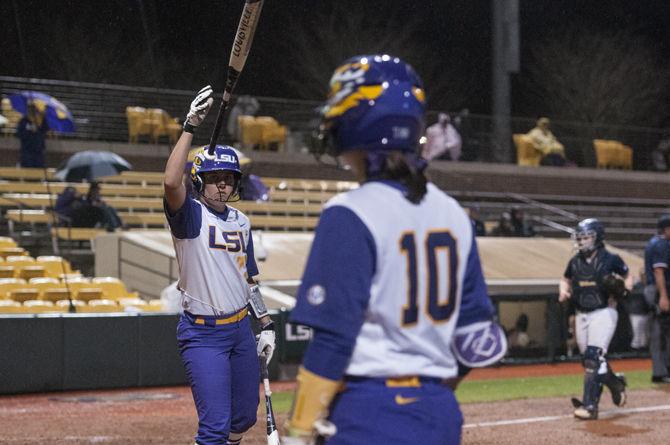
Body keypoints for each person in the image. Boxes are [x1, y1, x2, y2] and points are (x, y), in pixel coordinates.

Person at [283, 55, 507, 445]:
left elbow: (333, 340)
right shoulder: (453, 213)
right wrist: (426, 392)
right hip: (439, 411)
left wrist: (299, 431)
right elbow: (476, 338)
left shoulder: (350, 212)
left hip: (366, 411)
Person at [163, 85, 276, 445]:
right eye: (215, 178)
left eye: (228, 178)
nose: (223, 185)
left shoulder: (242, 221)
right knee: (214, 427)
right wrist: (190, 126)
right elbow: (169, 181)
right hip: (203, 335)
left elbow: (249, 278)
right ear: (200, 182)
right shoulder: (190, 216)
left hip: (240, 329)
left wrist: (266, 322)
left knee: (242, 418)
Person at [559, 218, 632, 420]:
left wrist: (624, 289)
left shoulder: (610, 259)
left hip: (604, 312)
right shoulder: (575, 261)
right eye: (579, 237)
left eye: (586, 237)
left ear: (597, 237)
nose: (581, 241)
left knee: (593, 357)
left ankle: (590, 407)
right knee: (590, 361)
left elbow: (628, 277)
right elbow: (564, 279)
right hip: (582, 314)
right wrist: (564, 291)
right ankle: (616, 384)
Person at [644, 214, 670, 383]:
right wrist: (663, 296)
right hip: (659, 290)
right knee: (661, 332)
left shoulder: (657, 242)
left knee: (663, 331)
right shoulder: (661, 244)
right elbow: (659, 272)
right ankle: (660, 372)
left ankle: (662, 371)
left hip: (658, 289)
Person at [624, 269, 651, 351]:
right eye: (643, 275)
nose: (645, 276)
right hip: (636, 313)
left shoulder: (649, 285)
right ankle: (635, 351)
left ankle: (643, 351)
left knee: (645, 335)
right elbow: (627, 294)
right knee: (636, 333)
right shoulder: (636, 286)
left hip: (647, 313)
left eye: (646, 274)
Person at [16, 102, 49, 168]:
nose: (32, 110)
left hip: (38, 150)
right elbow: (20, 134)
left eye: (34, 108)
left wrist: (38, 129)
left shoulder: (41, 120)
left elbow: (45, 130)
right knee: (27, 168)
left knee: (38, 168)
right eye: (30, 108)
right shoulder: (24, 121)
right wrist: (30, 131)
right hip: (27, 150)